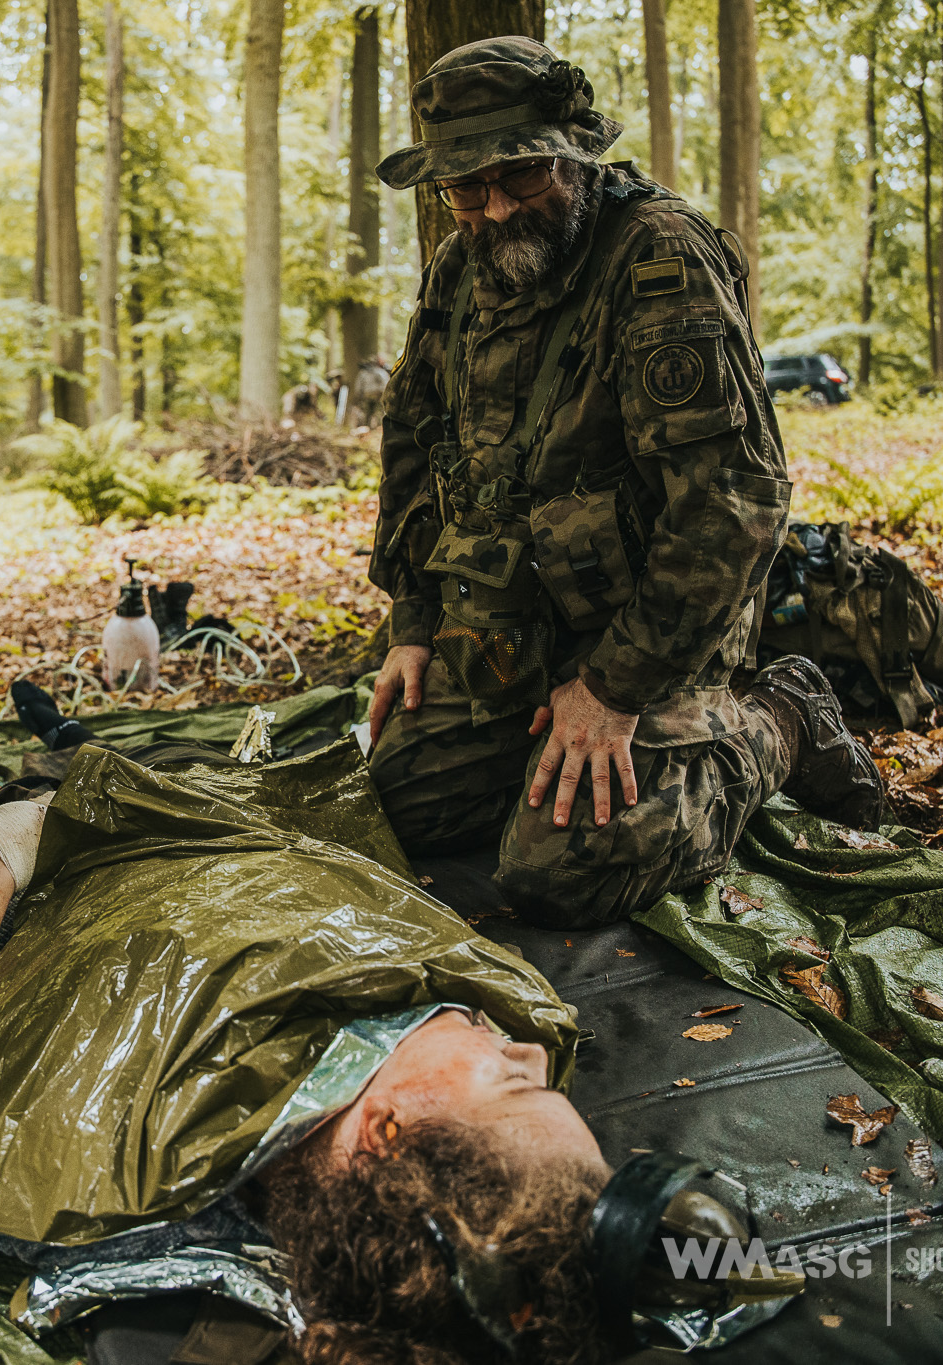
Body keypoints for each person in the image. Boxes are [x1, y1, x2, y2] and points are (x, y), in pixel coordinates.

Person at [0, 738, 614, 1363]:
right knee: (158, 758)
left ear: (384, 1132)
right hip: (208, 813)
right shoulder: (405, 1026)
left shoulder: (97, 1153)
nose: (532, 1053)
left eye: (514, 1084)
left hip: (23, 878)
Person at [361, 37, 884, 928]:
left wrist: (612, 688)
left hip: (656, 641)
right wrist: (413, 620)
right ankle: (543, 759)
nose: (494, 209)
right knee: (394, 804)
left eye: (521, 175)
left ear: (573, 152)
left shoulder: (658, 259)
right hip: (511, 631)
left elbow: (735, 501)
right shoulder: (459, 264)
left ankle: (780, 719)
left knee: (562, 875)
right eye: (466, 189)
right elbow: (414, 439)